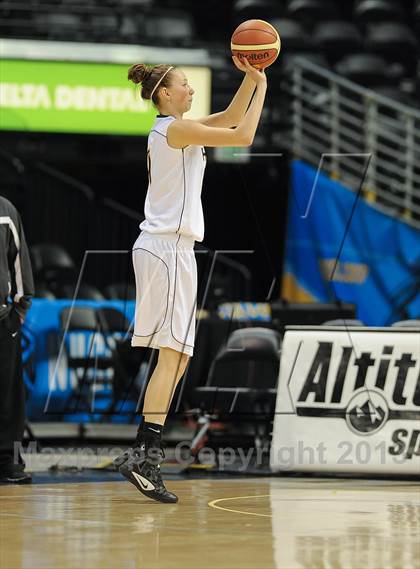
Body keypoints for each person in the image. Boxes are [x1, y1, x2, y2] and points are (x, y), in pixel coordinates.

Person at [114, 56, 267, 503]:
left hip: (177, 252)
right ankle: (145, 456)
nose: (191, 90)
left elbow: (234, 117)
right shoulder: (172, 130)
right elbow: (244, 135)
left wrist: (255, 79)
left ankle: (144, 453)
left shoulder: (180, 129)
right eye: (184, 84)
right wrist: (260, 84)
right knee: (170, 356)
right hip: (163, 250)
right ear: (164, 93)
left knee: (178, 357)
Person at [0, 196, 34, 483]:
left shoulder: (6, 209)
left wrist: (19, 309)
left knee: (9, 397)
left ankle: (7, 461)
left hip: (2, 319)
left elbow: (19, 260)